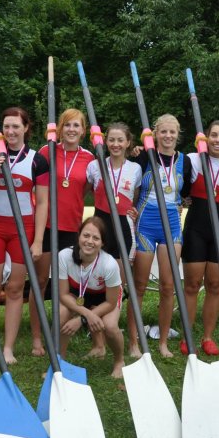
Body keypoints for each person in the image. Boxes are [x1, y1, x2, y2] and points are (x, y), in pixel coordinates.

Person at [0, 107, 49, 364]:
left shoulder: (37, 160)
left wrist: (38, 241)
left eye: (16, 126)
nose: (11, 131)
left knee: (16, 289)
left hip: (22, 229)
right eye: (6, 126)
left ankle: (8, 348)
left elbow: (42, 203)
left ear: (26, 128)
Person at [29, 108, 94, 356]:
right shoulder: (47, 151)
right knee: (40, 282)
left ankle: (59, 333)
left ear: (83, 130)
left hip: (71, 228)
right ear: (59, 129)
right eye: (67, 125)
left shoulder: (89, 158)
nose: (71, 130)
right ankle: (37, 338)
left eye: (76, 125)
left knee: (66, 285)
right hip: (45, 227)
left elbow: (85, 190)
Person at [128, 114, 194, 357]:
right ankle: (133, 342)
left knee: (168, 286)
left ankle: (163, 342)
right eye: (163, 131)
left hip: (172, 227)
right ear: (155, 134)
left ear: (178, 134)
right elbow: (131, 184)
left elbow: (186, 193)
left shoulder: (185, 161)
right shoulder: (144, 155)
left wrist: (182, 205)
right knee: (139, 286)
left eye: (172, 132)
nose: (168, 136)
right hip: (145, 225)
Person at [181, 120, 219, 356]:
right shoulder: (193, 159)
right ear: (206, 137)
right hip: (195, 228)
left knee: (215, 285)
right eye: (214, 135)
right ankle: (187, 336)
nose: (218, 140)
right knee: (192, 285)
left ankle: (208, 337)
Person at [85, 121, 142, 357]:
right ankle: (98, 345)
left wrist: (133, 211)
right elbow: (90, 191)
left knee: (118, 284)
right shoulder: (94, 166)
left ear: (128, 143)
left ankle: (128, 340)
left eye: (120, 140)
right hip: (100, 225)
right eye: (111, 140)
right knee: (94, 282)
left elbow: (135, 197)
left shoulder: (135, 168)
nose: (116, 144)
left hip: (124, 228)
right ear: (105, 141)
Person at [56, 217, 125, 378]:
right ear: (78, 235)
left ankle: (119, 361)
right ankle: (59, 363)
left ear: (102, 243)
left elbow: (110, 302)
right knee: (61, 315)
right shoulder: (64, 256)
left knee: (110, 326)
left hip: (105, 298)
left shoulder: (109, 264)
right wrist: (86, 314)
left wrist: (81, 320)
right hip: (78, 294)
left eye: (96, 238)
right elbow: (63, 295)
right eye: (86, 235)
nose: (89, 241)